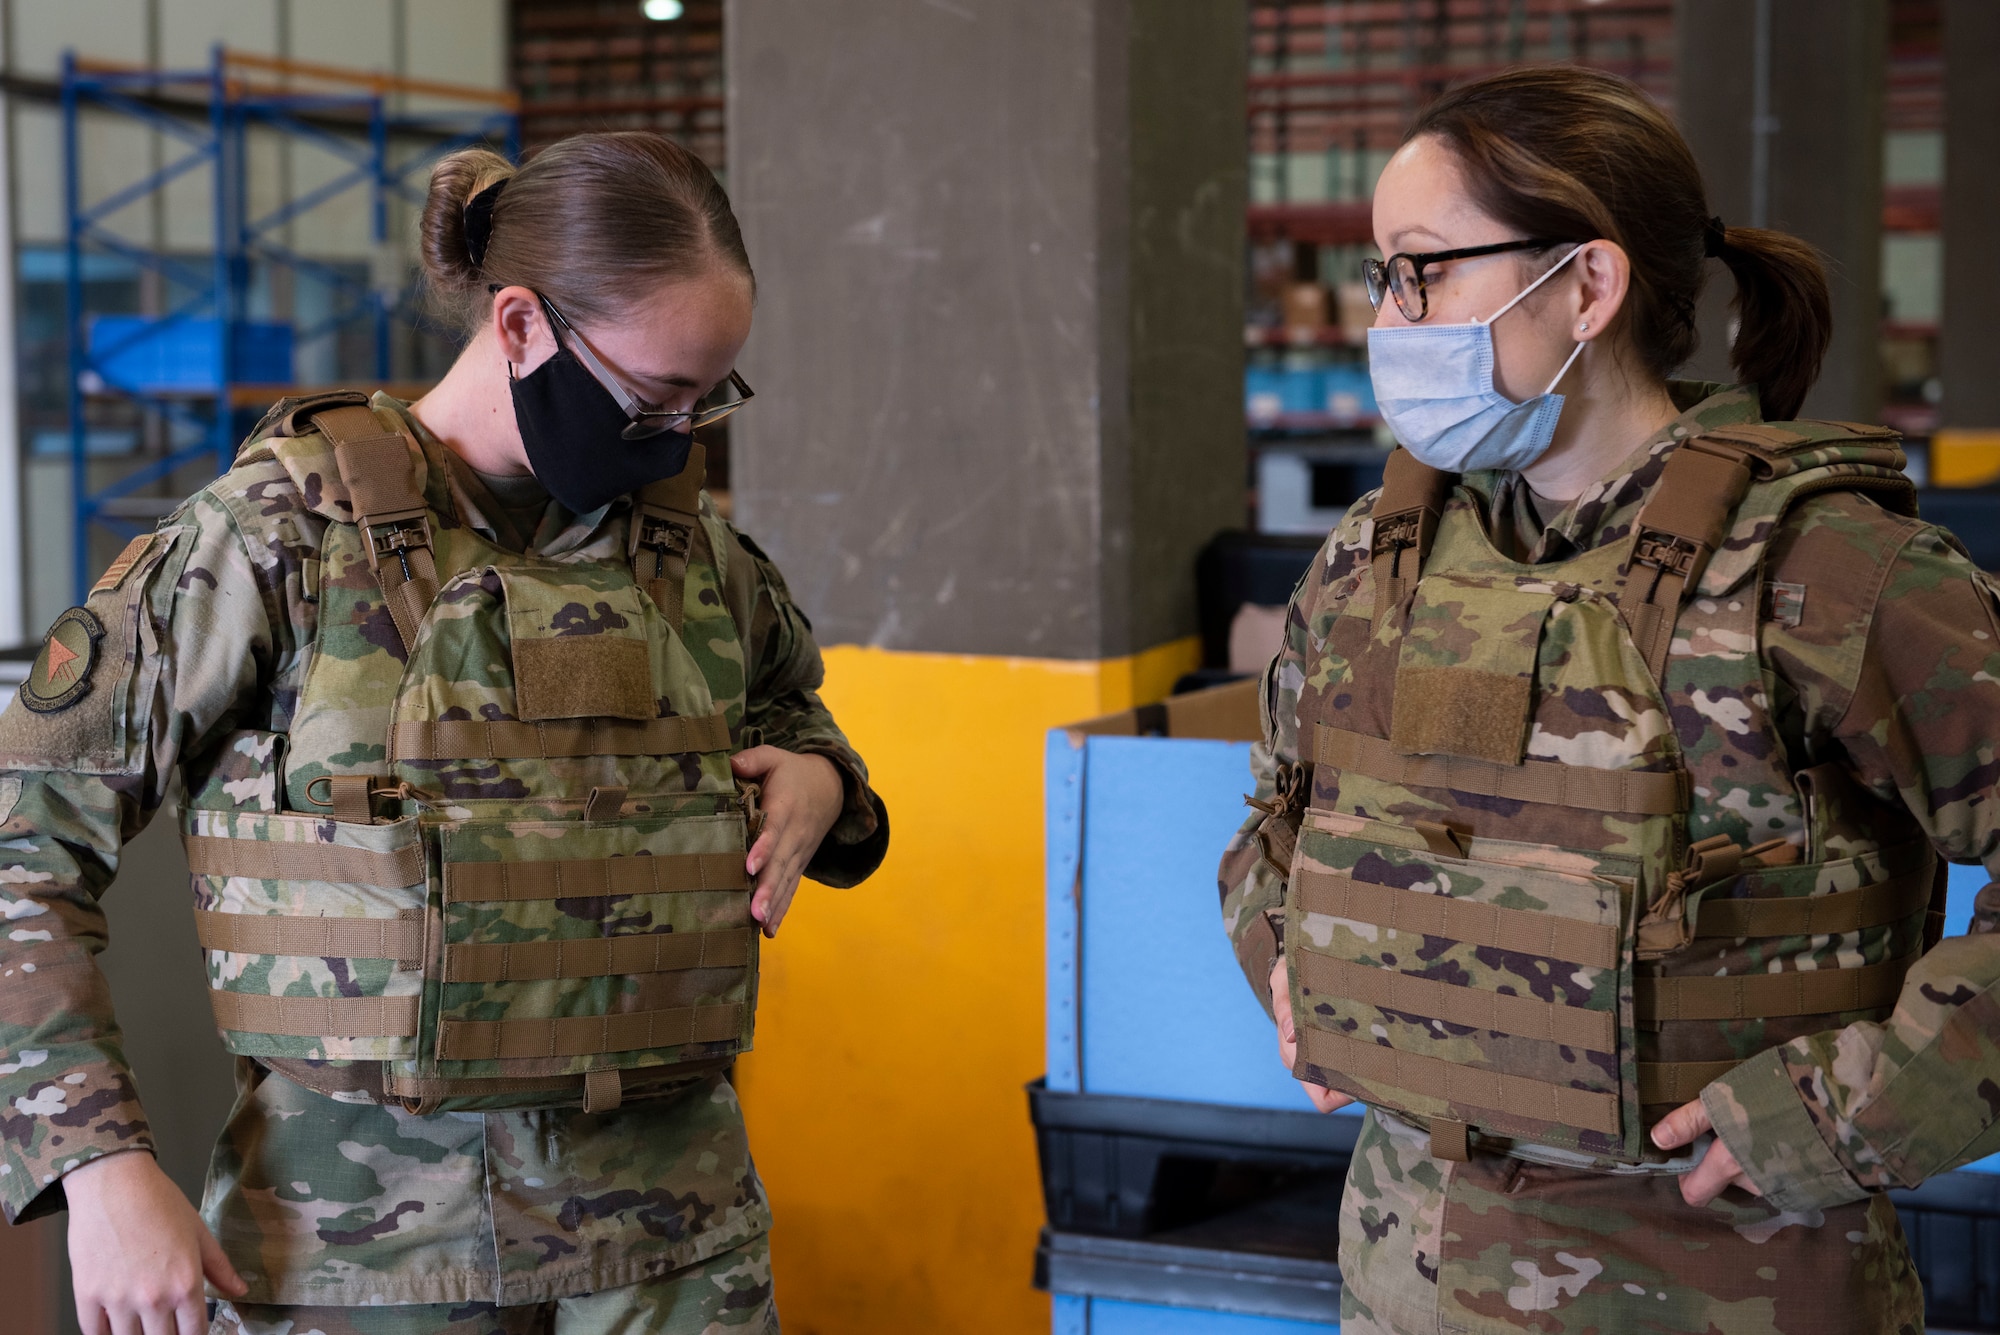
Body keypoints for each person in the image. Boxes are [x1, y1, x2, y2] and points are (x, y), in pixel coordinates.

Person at [0, 131, 889, 1334]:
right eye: (652, 399)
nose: (679, 440)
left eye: (705, 399)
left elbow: (794, 719)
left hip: (677, 1251)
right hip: (362, 1263)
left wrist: (824, 784)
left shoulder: (691, 557)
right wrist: (97, 1169)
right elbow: (23, 852)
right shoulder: (274, 539)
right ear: (519, 325)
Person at [1221, 64, 2000, 1335]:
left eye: (1422, 270)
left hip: (1718, 1283)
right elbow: (1276, 811)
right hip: (1402, 1265)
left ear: (1586, 285)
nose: (1388, 316)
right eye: (1381, 276)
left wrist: (1849, 1111)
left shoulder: (1824, 571)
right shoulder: (1375, 556)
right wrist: (1287, 959)